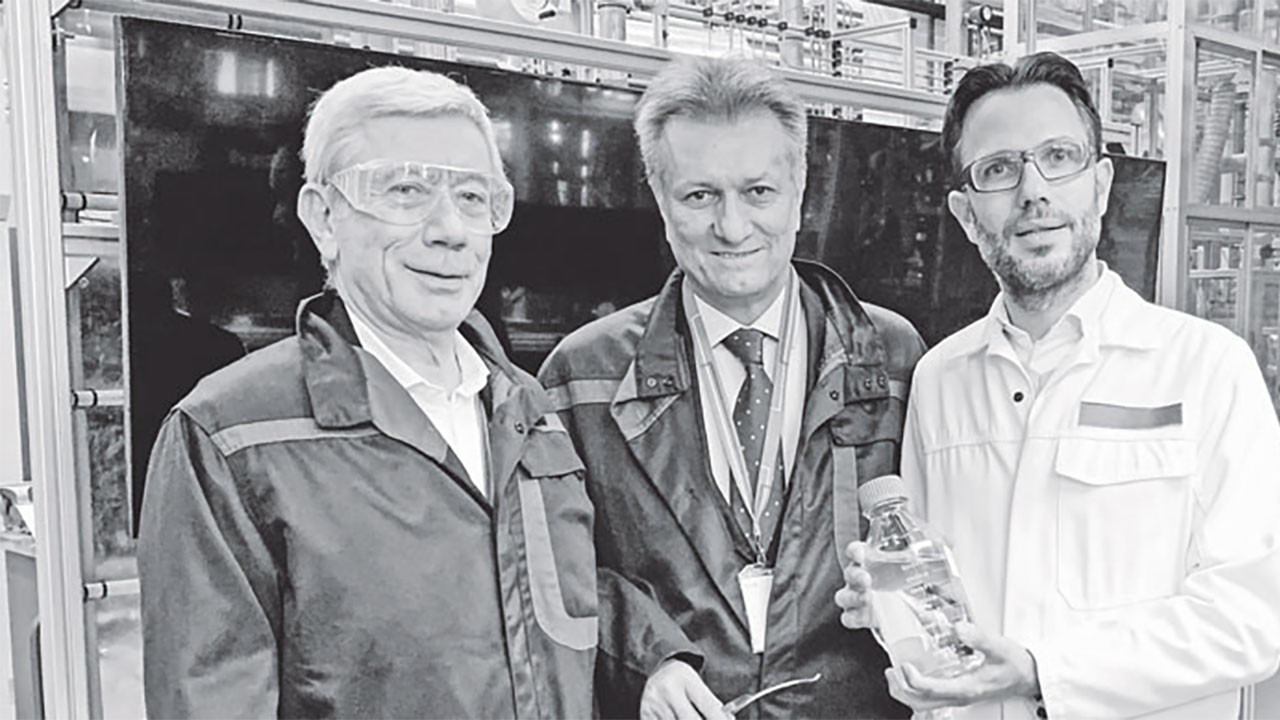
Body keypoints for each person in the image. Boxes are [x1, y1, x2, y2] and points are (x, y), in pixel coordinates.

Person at [138, 66, 599, 718]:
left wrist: (659, 660)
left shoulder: (531, 413)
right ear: (323, 218)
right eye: (406, 190)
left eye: (473, 197)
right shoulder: (231, 439)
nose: (450, 229)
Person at [836, 51, 1280, 720]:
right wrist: (890, 604)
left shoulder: (1206, 369)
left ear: (1100, 185)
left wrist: (1044, 673)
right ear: (965, 213)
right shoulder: (941, 378)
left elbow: (1252, 616)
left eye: (1058, 157)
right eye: (998, 169)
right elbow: (941, 600)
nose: (1032, 191)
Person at [539, 56, 926, 719]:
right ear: (661, 200)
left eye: (758, 192)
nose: (733, 226)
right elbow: (555, 569)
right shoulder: (584, 378)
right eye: (700, 196)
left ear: (799, 192)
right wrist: (648, 657)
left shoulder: (893, 359)